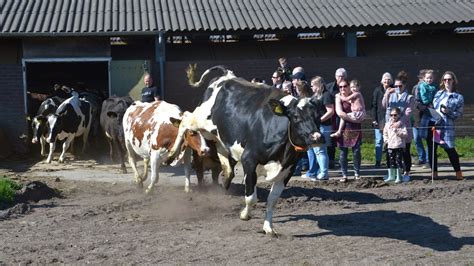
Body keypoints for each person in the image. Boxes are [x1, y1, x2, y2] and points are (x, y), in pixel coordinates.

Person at [427, 71, 464, 180]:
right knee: (432, 149)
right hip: (435, 124)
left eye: (449, 79)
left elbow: (459, 114)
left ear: (453, 81)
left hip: (447, 126)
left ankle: (458, 172)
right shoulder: (438, 93)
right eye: (445, 79)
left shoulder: (458, 97)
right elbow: (433, 107)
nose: (447, 81)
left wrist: (449, 112)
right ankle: (434, 173)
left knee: (450, 149)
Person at [382, 71, 415, 181]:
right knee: (391, 152)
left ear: (404, 85)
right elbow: (385, 106)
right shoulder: (391, 96)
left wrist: (399, 123)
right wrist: (386, 93)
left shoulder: (410, 98)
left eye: (400, 86)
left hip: (404, 128)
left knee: (405, 152)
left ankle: (407, 173)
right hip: (392, 131)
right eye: (395, 86)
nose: (397, 88)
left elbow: (408, 113)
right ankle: (393, 174)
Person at [302, 76, 334, 181]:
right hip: (316, 126)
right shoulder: (316, 96)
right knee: (316, 151)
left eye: (312, 85)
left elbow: (330, 111)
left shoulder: (326, 95)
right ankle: (319, 172)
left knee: (321, 150)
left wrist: (319, 120)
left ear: (318, 85)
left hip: (323, 126)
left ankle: (324, 173)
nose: (311, 88)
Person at [334, 79, 363, 182]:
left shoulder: (355, 94)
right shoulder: (338, 97)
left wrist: (359, 118)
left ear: (348, 86)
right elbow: (340, 113)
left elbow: (362, 109)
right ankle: (344, 175)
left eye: (345, 86)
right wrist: (352, 119)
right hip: (344, 127)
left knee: (356, 151)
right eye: (340, 87)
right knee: (343, 152)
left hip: (355, 127)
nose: (342, 88)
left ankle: (357, 173)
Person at [326, 68, 348, 169]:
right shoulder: (329, 87)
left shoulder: (347, 86)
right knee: (331, 138)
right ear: (335, 77)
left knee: (342, 139)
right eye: (339, 76)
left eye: (342, 76)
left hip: (343, 116)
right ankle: (331, 160)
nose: (340, 78)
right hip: (331, 116)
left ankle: (342, 160)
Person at [371, 72, 393, 168]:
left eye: (388, 79)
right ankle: (378, 161)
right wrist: (374, 119)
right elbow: (374, 106)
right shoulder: (377, 90)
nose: (386, 81)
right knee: (379, 141)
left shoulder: (393, 90)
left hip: (391, 119)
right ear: (382, 80)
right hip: (379, 119)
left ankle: (391, 161)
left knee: (390, 141)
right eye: (385, 79)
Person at [383, 107, 408, 183]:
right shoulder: (387, 124)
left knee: (398, 161)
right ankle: (391, 176)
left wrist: (398, 132)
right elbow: (385, 133)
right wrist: (386, 140)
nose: (393, 117)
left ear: (399, 115)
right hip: (390, 145)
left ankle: (399, 177)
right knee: (391, 161)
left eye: (395, 115)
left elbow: (405, 134)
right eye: (391, 115)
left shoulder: (402, 124)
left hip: (399, 145)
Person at [412, 69, 429, 166]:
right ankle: (421, 157)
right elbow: (414, 102)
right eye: (420, 77)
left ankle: (427, 159)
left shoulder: (430, 88)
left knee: (427, 138)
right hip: (416, 117)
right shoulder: (416, 88)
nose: (421, 79)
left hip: (426, 116)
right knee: (416, 138)